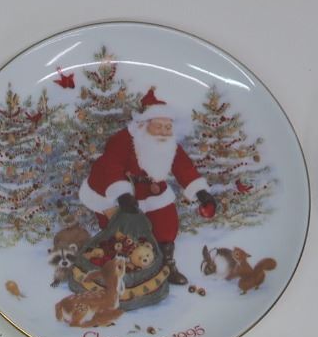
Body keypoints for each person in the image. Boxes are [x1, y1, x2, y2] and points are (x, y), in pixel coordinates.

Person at [79, 89, 216, 286]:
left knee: (166, 223)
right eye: (158, 126)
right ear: (143, 125)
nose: (164, 132)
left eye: (168, 127)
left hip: (153, 191)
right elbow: (111, 165)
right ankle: (120, 269)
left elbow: (183, 166)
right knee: (120, 232)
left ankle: (166, 264)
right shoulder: (123, 140)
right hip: (118, 192)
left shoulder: (169, 144)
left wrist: (201, 193)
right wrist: (122, 194)